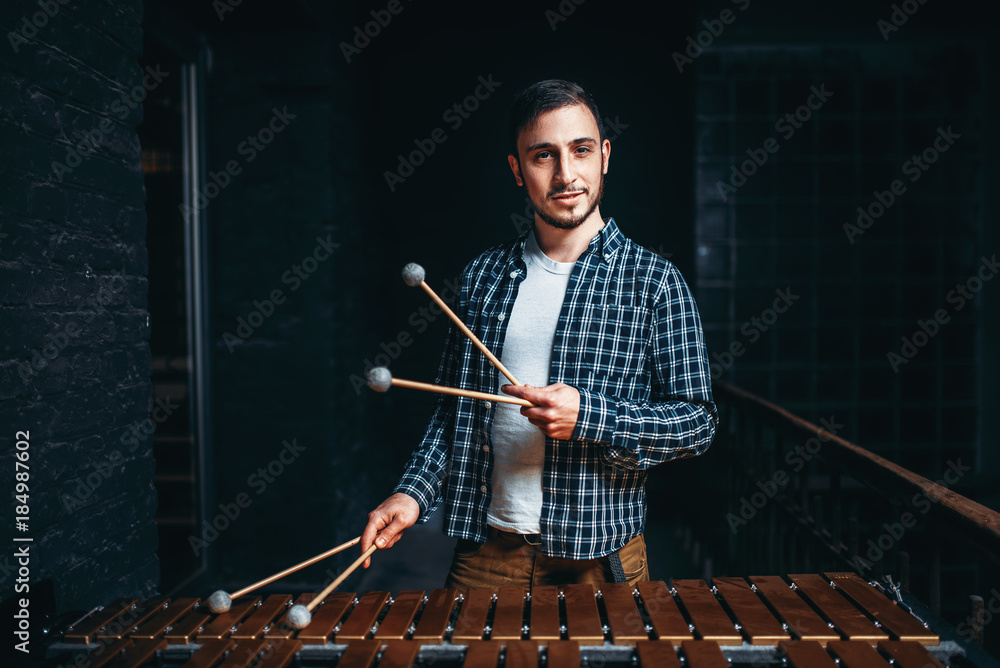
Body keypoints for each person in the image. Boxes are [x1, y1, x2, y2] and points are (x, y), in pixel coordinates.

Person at [361, 79, 717, 591]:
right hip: (487, 554)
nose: (566, 174)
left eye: (581, 150)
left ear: (605, 157)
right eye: (543, 155)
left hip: (602, 558)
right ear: (516, 169)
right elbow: (452, 413)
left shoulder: (655, 282)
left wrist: (591, 417)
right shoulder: (482, 277)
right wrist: (411, 494)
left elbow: (697, 423)